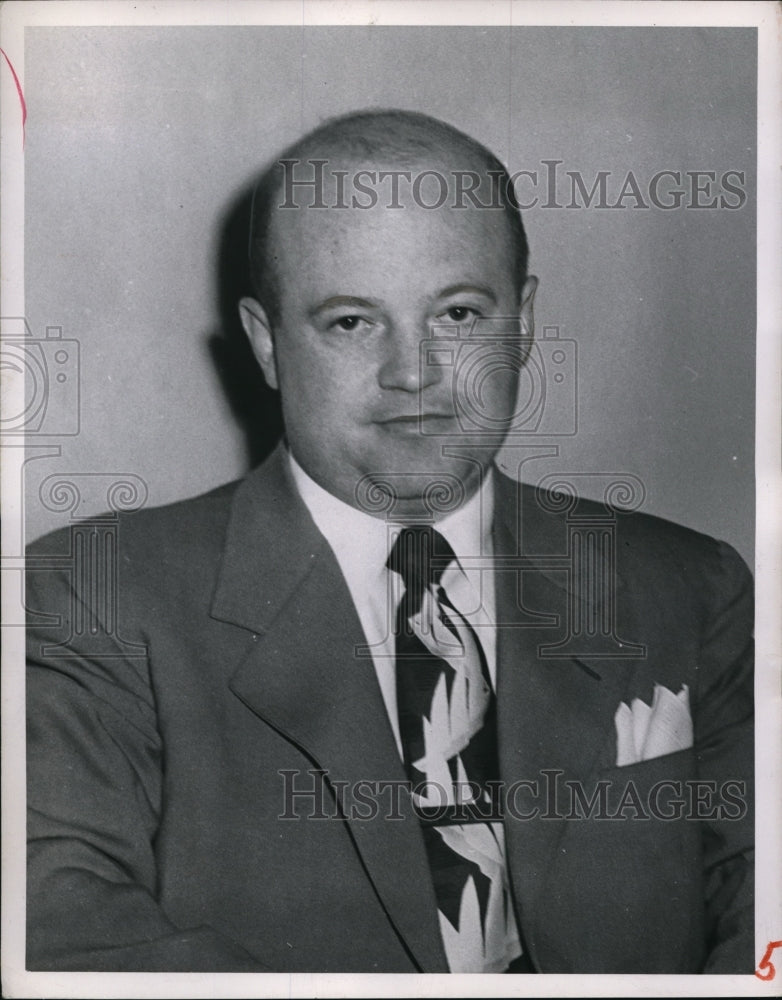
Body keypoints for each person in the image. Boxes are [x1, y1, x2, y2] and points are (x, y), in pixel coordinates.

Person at [25, 109, 754, 974]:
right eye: (351, 322)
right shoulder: (94, 597)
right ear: (266, 344)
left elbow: (760, 905)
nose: (415, 372)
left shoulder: (689, 585)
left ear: (522, 318)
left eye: (456, 312)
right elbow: (65, 927)